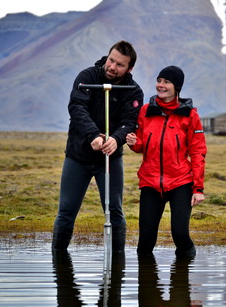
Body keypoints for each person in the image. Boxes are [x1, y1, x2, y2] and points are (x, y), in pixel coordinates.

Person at [52, 40, 144, 252]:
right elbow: (76, 107)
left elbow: (129, 122)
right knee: (66, 211)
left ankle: (117, 264)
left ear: (129, 68)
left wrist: (116, 139)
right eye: (111, 60)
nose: (113, 67)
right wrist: (93, 135)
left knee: (115, 210)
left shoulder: (133, 91)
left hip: (110, 159)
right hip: (78, 156)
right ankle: (59, 263)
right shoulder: (87, 77)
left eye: (120, 65)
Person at [126, 65, 206, 258]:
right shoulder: (146, 111)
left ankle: (182, 279)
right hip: (150, 182)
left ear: (176, 87)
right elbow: (141, 145)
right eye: (159, 81)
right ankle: (147, 285)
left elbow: (197, 151)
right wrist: (134, 143)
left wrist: (198, 188)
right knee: (145, 241)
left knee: (180, 234)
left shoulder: (190, 115)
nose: (161, 86)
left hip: (180, 182)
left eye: (166, 82)